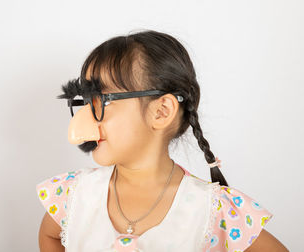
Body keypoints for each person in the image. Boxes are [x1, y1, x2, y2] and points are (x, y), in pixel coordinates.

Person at [35, 29, 288, 252]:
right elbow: (49, 235)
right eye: (87, 101)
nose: (85, 118)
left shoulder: (213, 209)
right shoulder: (75, 194)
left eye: (104, 100)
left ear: (161, 111)